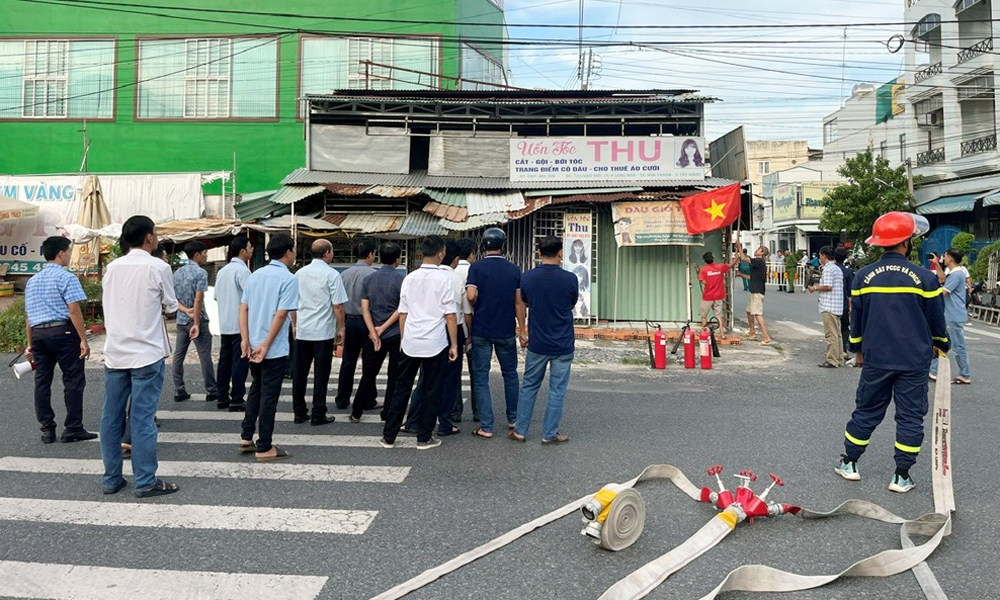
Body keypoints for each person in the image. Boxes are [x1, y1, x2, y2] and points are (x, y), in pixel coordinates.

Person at [835, 212, 948, 494]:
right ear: (907, 243)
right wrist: (941, 345)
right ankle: (901, 476)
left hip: (876, 358)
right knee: (910, 417)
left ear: (879, 243)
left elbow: (856, 319)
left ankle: (849, 463)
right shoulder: (925, 277)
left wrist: (856, 349)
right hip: (914, 359)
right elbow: (936, 319)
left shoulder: (862, 277)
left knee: (867, 411)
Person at [100, 215, 179, 497]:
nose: (156, 238)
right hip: (146, 352)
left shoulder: (112, 268)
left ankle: (111, 479)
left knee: (110, 418)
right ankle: (145, 481)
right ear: (148, 237)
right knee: (142, 419)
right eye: (155, 234)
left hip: (115, 352)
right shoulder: (158, 266)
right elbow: (171, 307)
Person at [379, 236, 458, 451]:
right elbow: (450, 315)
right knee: (431, 390)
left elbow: (403, 313)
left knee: (401, 388)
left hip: (411, 340)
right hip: (435, 342)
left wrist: (403, 340)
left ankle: (389, 436)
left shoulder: (409, 278)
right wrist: (454, 345)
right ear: (441, 253)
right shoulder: (445, 280)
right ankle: (424, 437)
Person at [24, 235, 94, 444]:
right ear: (61, 253)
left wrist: (29, 344)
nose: (70, 256)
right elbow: (74, 310)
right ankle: (73, 427)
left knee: (42, 381)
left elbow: (29, 316)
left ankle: (47, 428)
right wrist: (83, 339)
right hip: (62, 333)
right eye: (69, 252)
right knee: (72, 379)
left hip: (38, 334)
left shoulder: (32, 281)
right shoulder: (66, 277)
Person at [509, 236, 578, 444]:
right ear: (560, 253)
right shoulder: (570, 278)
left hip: (538, 341)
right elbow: (572, 302)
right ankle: (549, 434)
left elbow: (525, 302)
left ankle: (520, 431)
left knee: (529, 385)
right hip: (563, 342)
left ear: (538, 253)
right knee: (557, 390)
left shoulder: (528, 278)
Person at [239, 233, 299, 462]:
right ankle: (264, 446)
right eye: (293, 250)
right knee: (269, 396)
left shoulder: (255, 275)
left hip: (252, 344)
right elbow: (282, 314)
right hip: (271, 348)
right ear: (287, 252)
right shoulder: (288, 279)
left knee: (257, 388)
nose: (294, 255)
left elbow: (243, 308)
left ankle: (246, 436)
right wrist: (266, 345)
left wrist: (245, 339)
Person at [402, 240, 470, 437]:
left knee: (424, 379)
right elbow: (461, 313)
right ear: (453, 258)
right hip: (450, 330)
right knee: (449, 380)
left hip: (423, 331)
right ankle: (444, 423)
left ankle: (412, 420)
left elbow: (404, 310)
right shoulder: (455, 279)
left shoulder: (415, 276)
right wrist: (459, 341)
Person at [467, 228, 525, 438]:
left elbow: (471, 296)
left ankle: (487, 426)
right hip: (505, 330)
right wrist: (522, 330)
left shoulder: (476, 268)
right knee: (510, 375)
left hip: (482, 329)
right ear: (504, 245)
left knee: (481, 377)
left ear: (483, 246)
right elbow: (519, 304)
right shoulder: (513, 270)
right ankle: (513, 418)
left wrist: (475, 297)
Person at [292, 239, 347, 426]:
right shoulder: (332, 275)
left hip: (303, 330)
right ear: (327, 253)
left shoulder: (299, 274)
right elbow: (338, 305)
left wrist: (294, 325)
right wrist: (342, 328)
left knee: (300, 372)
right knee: (321, 374)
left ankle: (299, 411)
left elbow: (292, 303)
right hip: (322, 332)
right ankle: (318, 412)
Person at [352, 242, 405, 424]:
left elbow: (364, 308)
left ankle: (356, 412)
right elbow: (401, 309)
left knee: (369, 373)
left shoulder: (369, 279)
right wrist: (384, 327)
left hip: (373, 333)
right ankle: (387, 413)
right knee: (394, 376)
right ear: (397, 259)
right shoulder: (400, 280)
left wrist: (374, 331)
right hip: (394, 333)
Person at [171, 240, 218, 403]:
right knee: (205, 356)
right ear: (197, 255)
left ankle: (179, 389)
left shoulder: (176, 273)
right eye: (205, 253)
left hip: (181, 320)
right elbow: (198, 300)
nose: (206, 256)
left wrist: (185, 310)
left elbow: (173, 299)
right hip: (198, 320)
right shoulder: (200, 273)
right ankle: (212, 390)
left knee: (178, 356)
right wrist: (196, 322)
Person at [334, 238, 378, 410]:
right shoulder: (373, 275)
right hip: (367, 322)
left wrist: (341, 326)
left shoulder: (344, 275)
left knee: (348, 361)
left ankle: (342, 399)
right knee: (369, 362)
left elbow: (338, 303)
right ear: (370, 254)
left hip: (349, 321)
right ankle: (367, 398)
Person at [214, 237, 253, 411]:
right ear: (243, 251)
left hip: (225, 322)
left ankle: (222, 396)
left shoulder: (223, 271)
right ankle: (237, 398)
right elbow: (251, 298)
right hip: (240, 325)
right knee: (240, 362)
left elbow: (216, 296)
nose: (251, 249)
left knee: (225, 362)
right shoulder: (243, 272)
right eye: (250, 247)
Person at [930, 249, 971, 384]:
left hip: (953, 314)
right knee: (943, 343)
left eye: (945, 256)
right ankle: (933, 370)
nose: (944, 258)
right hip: (951, 314)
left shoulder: (957, 274)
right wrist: (936, 264)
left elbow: (944, 292)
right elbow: (942, 279)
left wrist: (926, 296)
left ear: (951, 259)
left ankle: (964, 374)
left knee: (957, 346)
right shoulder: (953, 273)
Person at [450, 238, 479, 423]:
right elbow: (470, 304)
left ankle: (455, 411)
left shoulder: (451, 272)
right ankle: (478, 411)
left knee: (454, 372)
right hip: (472, 326)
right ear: (471, 255)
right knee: (476, 372)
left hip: (454, 328)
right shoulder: (474, 270)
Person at [808, 246, 844, 368]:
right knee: (837, 334)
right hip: (837, 305)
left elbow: (828, 286)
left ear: (824, 255)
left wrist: (815, 288)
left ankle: (832, 360)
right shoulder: (837, 268)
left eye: (820, 256)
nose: (819, 258)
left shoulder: (828, 269)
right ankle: (839, 358)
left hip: (829, 305)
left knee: (831, 335)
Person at [736, 241, 772, 345]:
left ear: (762, 253)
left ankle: (766, 336)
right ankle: (752, 331)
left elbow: (743, 258)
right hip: (754, 290)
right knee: (749, 311)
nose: (756, 250)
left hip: (757, 291)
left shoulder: (758, 261)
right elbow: (752, 277)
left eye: (759, 249)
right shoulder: (758, 263)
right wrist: (741, 275)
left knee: (757, 313)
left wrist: (739, 248)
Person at [696, 251, 733, 338]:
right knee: (719, 315)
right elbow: (731, 265)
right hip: (719, 295)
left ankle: (704, 333)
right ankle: (722, 334)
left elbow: (703, 281)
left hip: (708, 296)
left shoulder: (704, 270)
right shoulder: (720, 267)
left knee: (704, 315)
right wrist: (737, 259)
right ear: (713, 258)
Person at [834, 247, 854, 363]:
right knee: (845, 327)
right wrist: (850, 306)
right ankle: (844, 350)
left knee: (833, 328)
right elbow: (850, 291)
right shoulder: (848, 272)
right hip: (844, 304)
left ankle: (834, 351)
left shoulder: (830, 269)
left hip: (832, 304)